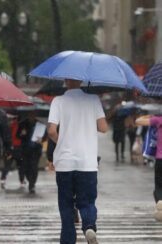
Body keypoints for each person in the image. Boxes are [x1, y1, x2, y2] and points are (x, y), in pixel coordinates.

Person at [47, 79, 108, 244]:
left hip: (65, 163)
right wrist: (87, 122)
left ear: (65, 81)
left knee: (66, 205)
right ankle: (89, 226)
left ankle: (67, 241)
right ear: (81, 80)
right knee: (87, 201)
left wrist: (61, 142)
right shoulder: (93, 99)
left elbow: (51, 130)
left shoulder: (58, 101)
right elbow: (103, 127)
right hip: (87, 162)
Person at [135, 115, 162, 221]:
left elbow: (138, 121)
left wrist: (149, 116)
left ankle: (160, 202)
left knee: (159, 186)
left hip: (160, 159)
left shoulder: (158, 119)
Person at [17, 111, 46, 194]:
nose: (32, 116)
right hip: (25, 149)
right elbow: (17, 135)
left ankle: (32, 184)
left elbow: (45, 136)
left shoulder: (40, 124)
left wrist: (42, 139)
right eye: (30, 114)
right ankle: (30, 180)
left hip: (36, 149)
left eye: (33, 114)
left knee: (34, 166)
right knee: (25, 167)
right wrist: (22, 134)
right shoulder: (23, 123)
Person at [0, 115, 25, 189]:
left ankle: (3, 179)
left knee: (7, 165)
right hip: (18, 148)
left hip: (9, 147)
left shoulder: (8, 126)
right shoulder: (20, 125)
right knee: (20, 166)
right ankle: (22, 180)